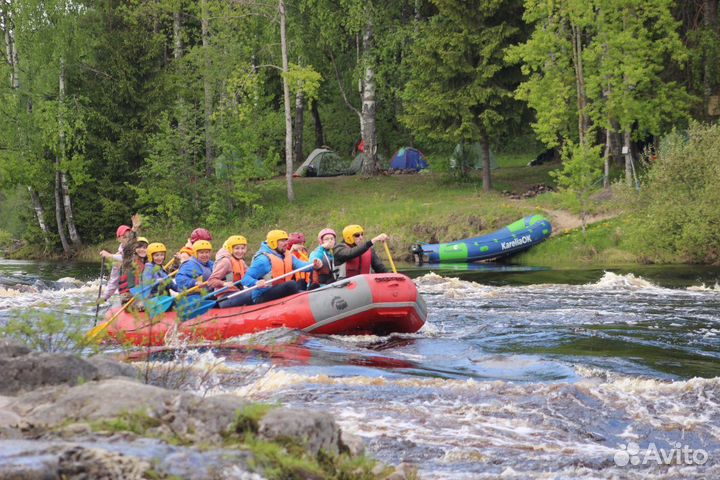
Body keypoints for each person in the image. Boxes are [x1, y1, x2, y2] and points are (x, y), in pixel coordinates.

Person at [241, 230, 321, 304]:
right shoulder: (263, 260)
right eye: (282, 241)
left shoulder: (288, 255)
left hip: (281, 291)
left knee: (299, 283)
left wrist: (314, 265)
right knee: (291, 285)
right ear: (273, 243)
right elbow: (245, 279)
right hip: (263, 295)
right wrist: (256, 283)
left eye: (286, 240)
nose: (286, 243)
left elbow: (302, 266)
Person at [99, 214, 141, 302]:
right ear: (119, 239)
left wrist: (135, 228)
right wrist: (105, 297)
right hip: (127, 292)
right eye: (124, 237)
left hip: (141, 289)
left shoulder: (139, 249)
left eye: (129, 237)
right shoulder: (117, 259)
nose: (127, 239)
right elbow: (113, 281)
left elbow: (129, 256)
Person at [207, 235, 254, 308]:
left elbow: (250, 275)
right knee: (257, 293)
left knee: (260, 289)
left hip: (237, 293)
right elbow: (211, 282)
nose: (240, 251)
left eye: (242, 248)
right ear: (230, 248)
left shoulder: (241, 261)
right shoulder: (225, 261)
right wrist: (224, 283)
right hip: (226, 298)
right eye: (237, 248)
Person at [119, 236, 148, 301]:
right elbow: (127, 248)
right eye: (139, 247)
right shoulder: (129, 262)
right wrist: (134, 229)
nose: (142, 249)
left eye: (145, 247)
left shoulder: (146, 264)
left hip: (141, 294)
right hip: (128, 296)